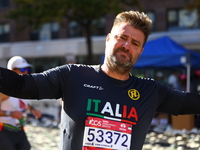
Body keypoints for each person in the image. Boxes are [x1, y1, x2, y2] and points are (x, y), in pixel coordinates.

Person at [0, 10, 200, 150]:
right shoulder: (72, 76)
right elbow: (20, 85)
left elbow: (193, 102)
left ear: (140, 51)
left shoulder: (151, 91)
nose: (126, 45)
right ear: (108, 39)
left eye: (135, 43)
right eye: (122, 37)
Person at [0, 56, 41, 150]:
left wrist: (33, 110)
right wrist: (10, 113)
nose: (26, 72)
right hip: (4, 131)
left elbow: (23, 103)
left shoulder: (23, 88)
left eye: (27, 69)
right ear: (11, 71)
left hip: (20, 130)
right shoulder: (3, 90)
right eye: (22, 69)